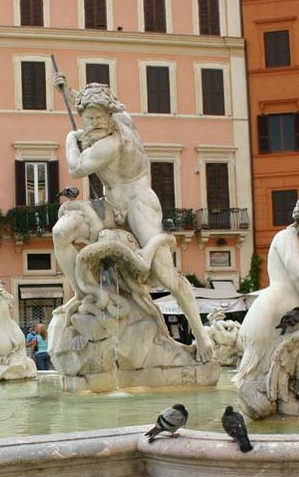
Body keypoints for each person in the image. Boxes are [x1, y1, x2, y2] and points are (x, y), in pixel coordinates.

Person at [52, 74, 212, 362]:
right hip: (109, 206)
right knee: (61, 232)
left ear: (110, 116)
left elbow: (76, 169)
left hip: (138, 203)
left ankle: (201, 335)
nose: (93, 125)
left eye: (98, 119)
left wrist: (69, 139)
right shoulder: (120, 114)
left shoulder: (109, 145)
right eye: (88, 119)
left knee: (166, 275)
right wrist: (69, 92)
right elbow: (89, 104)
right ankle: (81, 292)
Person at [234, 194, 299, 382]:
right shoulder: (285, 237)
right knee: (256, 380)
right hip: (274, 315)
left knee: (294, 381)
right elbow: (297, 274)